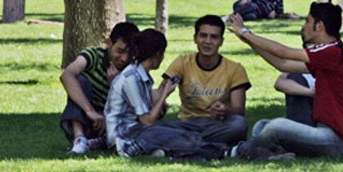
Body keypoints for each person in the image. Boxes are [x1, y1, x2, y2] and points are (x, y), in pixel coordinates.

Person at [225, 1, 343, 159]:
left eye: (307, 21)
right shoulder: (331, 53)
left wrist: (244, 32)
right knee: (262, 126)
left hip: (339, 143)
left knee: (276, 127)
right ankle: (277, 155)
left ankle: (240, 151)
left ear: (319, 26)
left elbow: (282, 52)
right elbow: (283, 64)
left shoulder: (333, 51)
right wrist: (248, 40)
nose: (303, 26)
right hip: (325, 134)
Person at [104, 29, 223, 159]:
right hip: (124, 136)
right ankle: (221, 151)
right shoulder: (131, 78)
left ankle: (165, 152)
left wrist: (161, 99)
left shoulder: (140, 75)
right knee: (185, 137)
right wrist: (165, 94)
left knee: (182, 133)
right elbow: (147, 121)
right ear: (157, 55)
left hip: (137, 130)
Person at [161, 15, 251, 147]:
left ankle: (188, 143)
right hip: (188, 123)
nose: (207, 41)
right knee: (156, 127)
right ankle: (209, 145)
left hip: (218, 124)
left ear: (221, 41)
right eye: (203, 36)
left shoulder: (235, 69)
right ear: (195, 38)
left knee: (239, 124)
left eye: (214, 37)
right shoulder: (182, 62)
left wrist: (226, 110)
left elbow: (239, 111)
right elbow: (162, 91)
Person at [59, 21, 140, 155]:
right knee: (79, 81)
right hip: (86, 118)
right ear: (109, 43)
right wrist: (90, 111)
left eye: (129, 53)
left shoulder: (132, 69)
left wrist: (117, 85)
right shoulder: (93, 55)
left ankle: (101, 141)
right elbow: (66, 75)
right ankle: (79, 139)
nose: (124, 58)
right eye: (120, 51)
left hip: (113, 124)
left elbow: (136, 105)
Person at [276, 61, 343, 126]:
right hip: (306, 108)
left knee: (272, 127)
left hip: (335, 114)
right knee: (295, 79)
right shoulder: (301, 63)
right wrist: (312, 93)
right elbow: (280, 83)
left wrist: (334, 92)